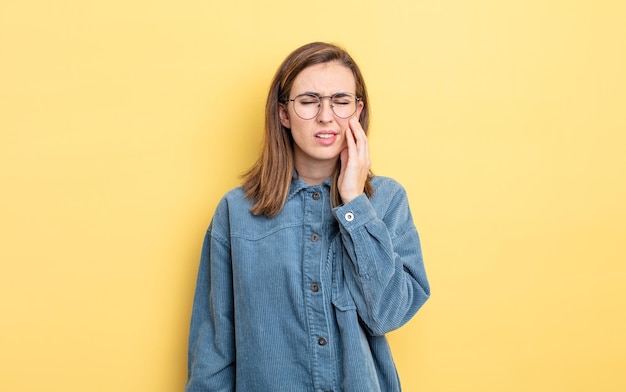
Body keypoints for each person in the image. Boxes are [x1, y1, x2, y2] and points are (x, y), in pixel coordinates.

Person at [185, 42, 430, 392]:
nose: (326, 116)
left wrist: (354, 204)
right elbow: (214, 347)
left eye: (341, 102)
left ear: (357, 112)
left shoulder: (387, 201)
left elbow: (388, 315)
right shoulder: (236, 212)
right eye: (309, 101)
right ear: (284, 113)